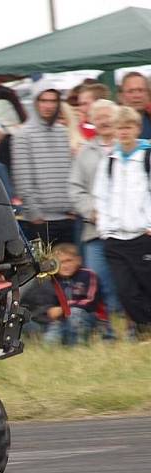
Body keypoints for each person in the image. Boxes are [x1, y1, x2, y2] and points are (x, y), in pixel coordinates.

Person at [93, 106, 151, 338]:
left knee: (147, 284)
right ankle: (142, 327)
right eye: (120, 127)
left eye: (128, 127)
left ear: (137, 128)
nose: (124, 132)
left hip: (142, 234)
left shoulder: (147, 156)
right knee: (125, 290)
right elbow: (101, 196)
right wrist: (105, 229)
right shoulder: (109, 161)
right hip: (116, 237)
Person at [69, 99, 122, 332]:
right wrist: (92, 211)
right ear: (92, 121)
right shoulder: (85, 152)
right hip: (96, 230)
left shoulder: (133, 147)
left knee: (126, 279)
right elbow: (75, 188)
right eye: (99, 117)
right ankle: (108, 328)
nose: (104, 120)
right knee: (99, 280)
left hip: (128, 229)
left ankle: (131, 326)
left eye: (108, 115)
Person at [11, 81, 76, 245]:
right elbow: (22, 178)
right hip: (41, 220)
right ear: (35, 102)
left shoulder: (62, 132)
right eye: (44, 100)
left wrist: (72, 208)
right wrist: (35, 214)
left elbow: (69, 172)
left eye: (53, 101)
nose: (49, 105)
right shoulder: (23, 135)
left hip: (67, 217)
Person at [23, 244, 101, 345]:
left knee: (75, 313)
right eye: (61, 262)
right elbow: (42, 306)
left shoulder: (87, 275)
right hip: (58, 322)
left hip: (85, 317)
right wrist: (49, 312)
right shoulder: (49, 280)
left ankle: (78, 346)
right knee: (47, 341)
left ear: (78, 260)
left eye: (69, 261)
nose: (65, 266)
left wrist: (64, 307)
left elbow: (90, 301)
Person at [118, 71, 151, 139]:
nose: (137, 96)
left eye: (141, 90)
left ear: (148, 95)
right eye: (131, 91)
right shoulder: (111, 124)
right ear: (121, 96)